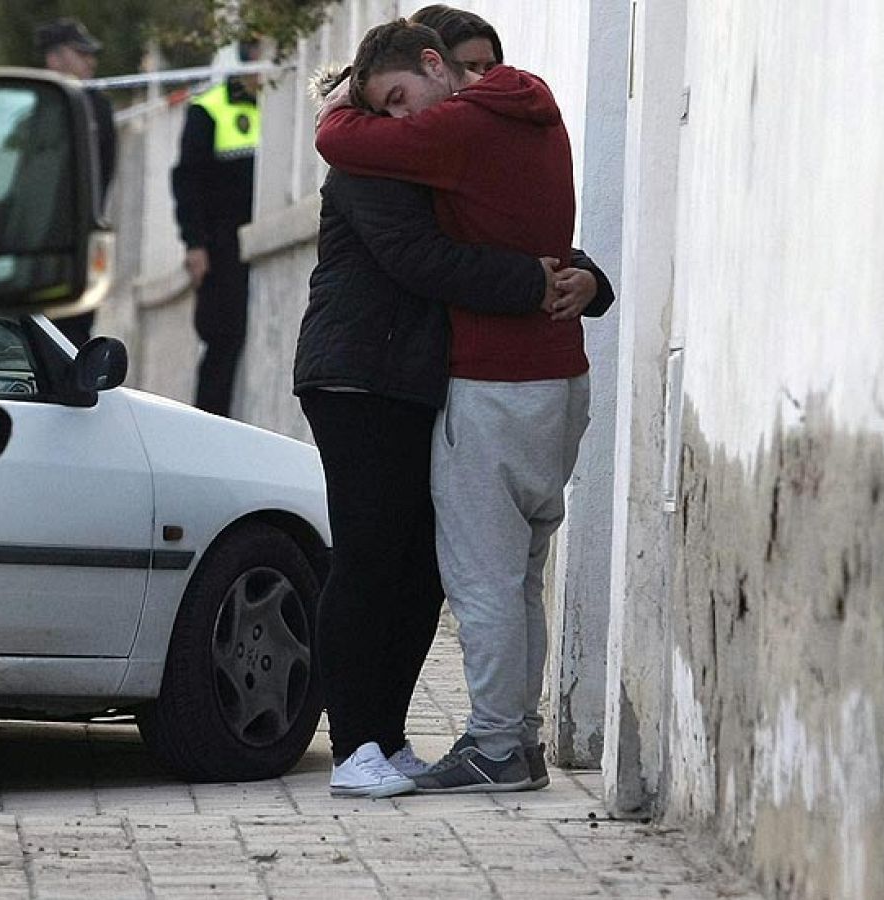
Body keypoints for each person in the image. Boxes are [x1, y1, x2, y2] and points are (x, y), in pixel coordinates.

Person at [316, 19, 599, 793]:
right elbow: (505, 230)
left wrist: (342, 102)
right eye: (386, 105)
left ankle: (493, 745)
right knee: (505, 574)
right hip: (545, 379)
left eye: (401, 97)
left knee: (477, 579)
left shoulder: (457, 129)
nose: (401, 117)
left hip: (488, 383)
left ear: (436, 66)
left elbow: (337, 140)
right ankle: (499, 741)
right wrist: (575, 279)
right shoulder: (537, 111)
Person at [172, 41, 263, 418]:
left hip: (255, 242)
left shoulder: (277, 104)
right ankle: (208, 423)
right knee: (222, 341)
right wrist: (194, 244)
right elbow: (187, 182)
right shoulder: (208, 108)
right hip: (220, 247)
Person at [36, 17, 116, 346]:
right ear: (54, 59)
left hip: (78, 245)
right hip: (36, 247)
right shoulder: (35, 106)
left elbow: (102, 175)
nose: (90, 62)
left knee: (74, 338)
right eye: (80, 54)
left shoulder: (96, 107)